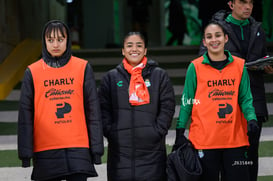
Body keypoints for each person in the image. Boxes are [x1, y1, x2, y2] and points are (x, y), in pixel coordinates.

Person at [17, 20, 104, 181]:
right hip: (45, 149)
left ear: (68, 40)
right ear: (44, 42)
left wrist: (96, 149)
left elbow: (93, 110)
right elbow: (25, 116)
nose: (55, 44)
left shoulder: (83, 67)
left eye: (60, 39)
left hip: (78, 147)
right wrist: (25, 154)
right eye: (50, 40)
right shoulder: (32, 71)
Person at [173, 21, 259, 181]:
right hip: (204, 142)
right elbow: (187, 101)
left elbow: (245, 98)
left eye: (218, 35)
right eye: (209, 37)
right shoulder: (195, 67)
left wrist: (251, 118)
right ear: (204, 42)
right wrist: (180, 130)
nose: (214, 40)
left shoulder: (240, 66)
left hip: (235, 141)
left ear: (226, 38)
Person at [199, 1, 273, 180]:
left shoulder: (257, 29)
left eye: (250, 3)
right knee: (230, 157)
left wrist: (264, 67)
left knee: (251, 155)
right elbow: (203, 60)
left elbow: (261, 56)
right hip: (225, 101)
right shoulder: (216, 30)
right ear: (231, 4)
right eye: (242, 2)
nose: (247, 7)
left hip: (254, 100)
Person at [98, 31, 175, 181]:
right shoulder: (111, 78)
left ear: (145, 50)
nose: (134, 49)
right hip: (120, 153)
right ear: (123, 50)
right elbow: (103, 109)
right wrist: (111, 131)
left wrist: (157, 131)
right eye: (129, 45)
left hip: (152, 152)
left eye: (139, 45)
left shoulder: (159, 76)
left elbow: (167, 106)